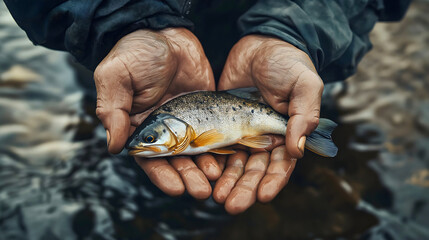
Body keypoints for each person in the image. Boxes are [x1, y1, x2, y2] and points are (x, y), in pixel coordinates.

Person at [4, 0, 410, 214]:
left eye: (150, 137)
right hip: (134, 57)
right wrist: (118, 23)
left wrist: (298, 33)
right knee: (117, 98)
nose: (144, 141)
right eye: (148, 138)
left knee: (302, 102)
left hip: (278, 64)